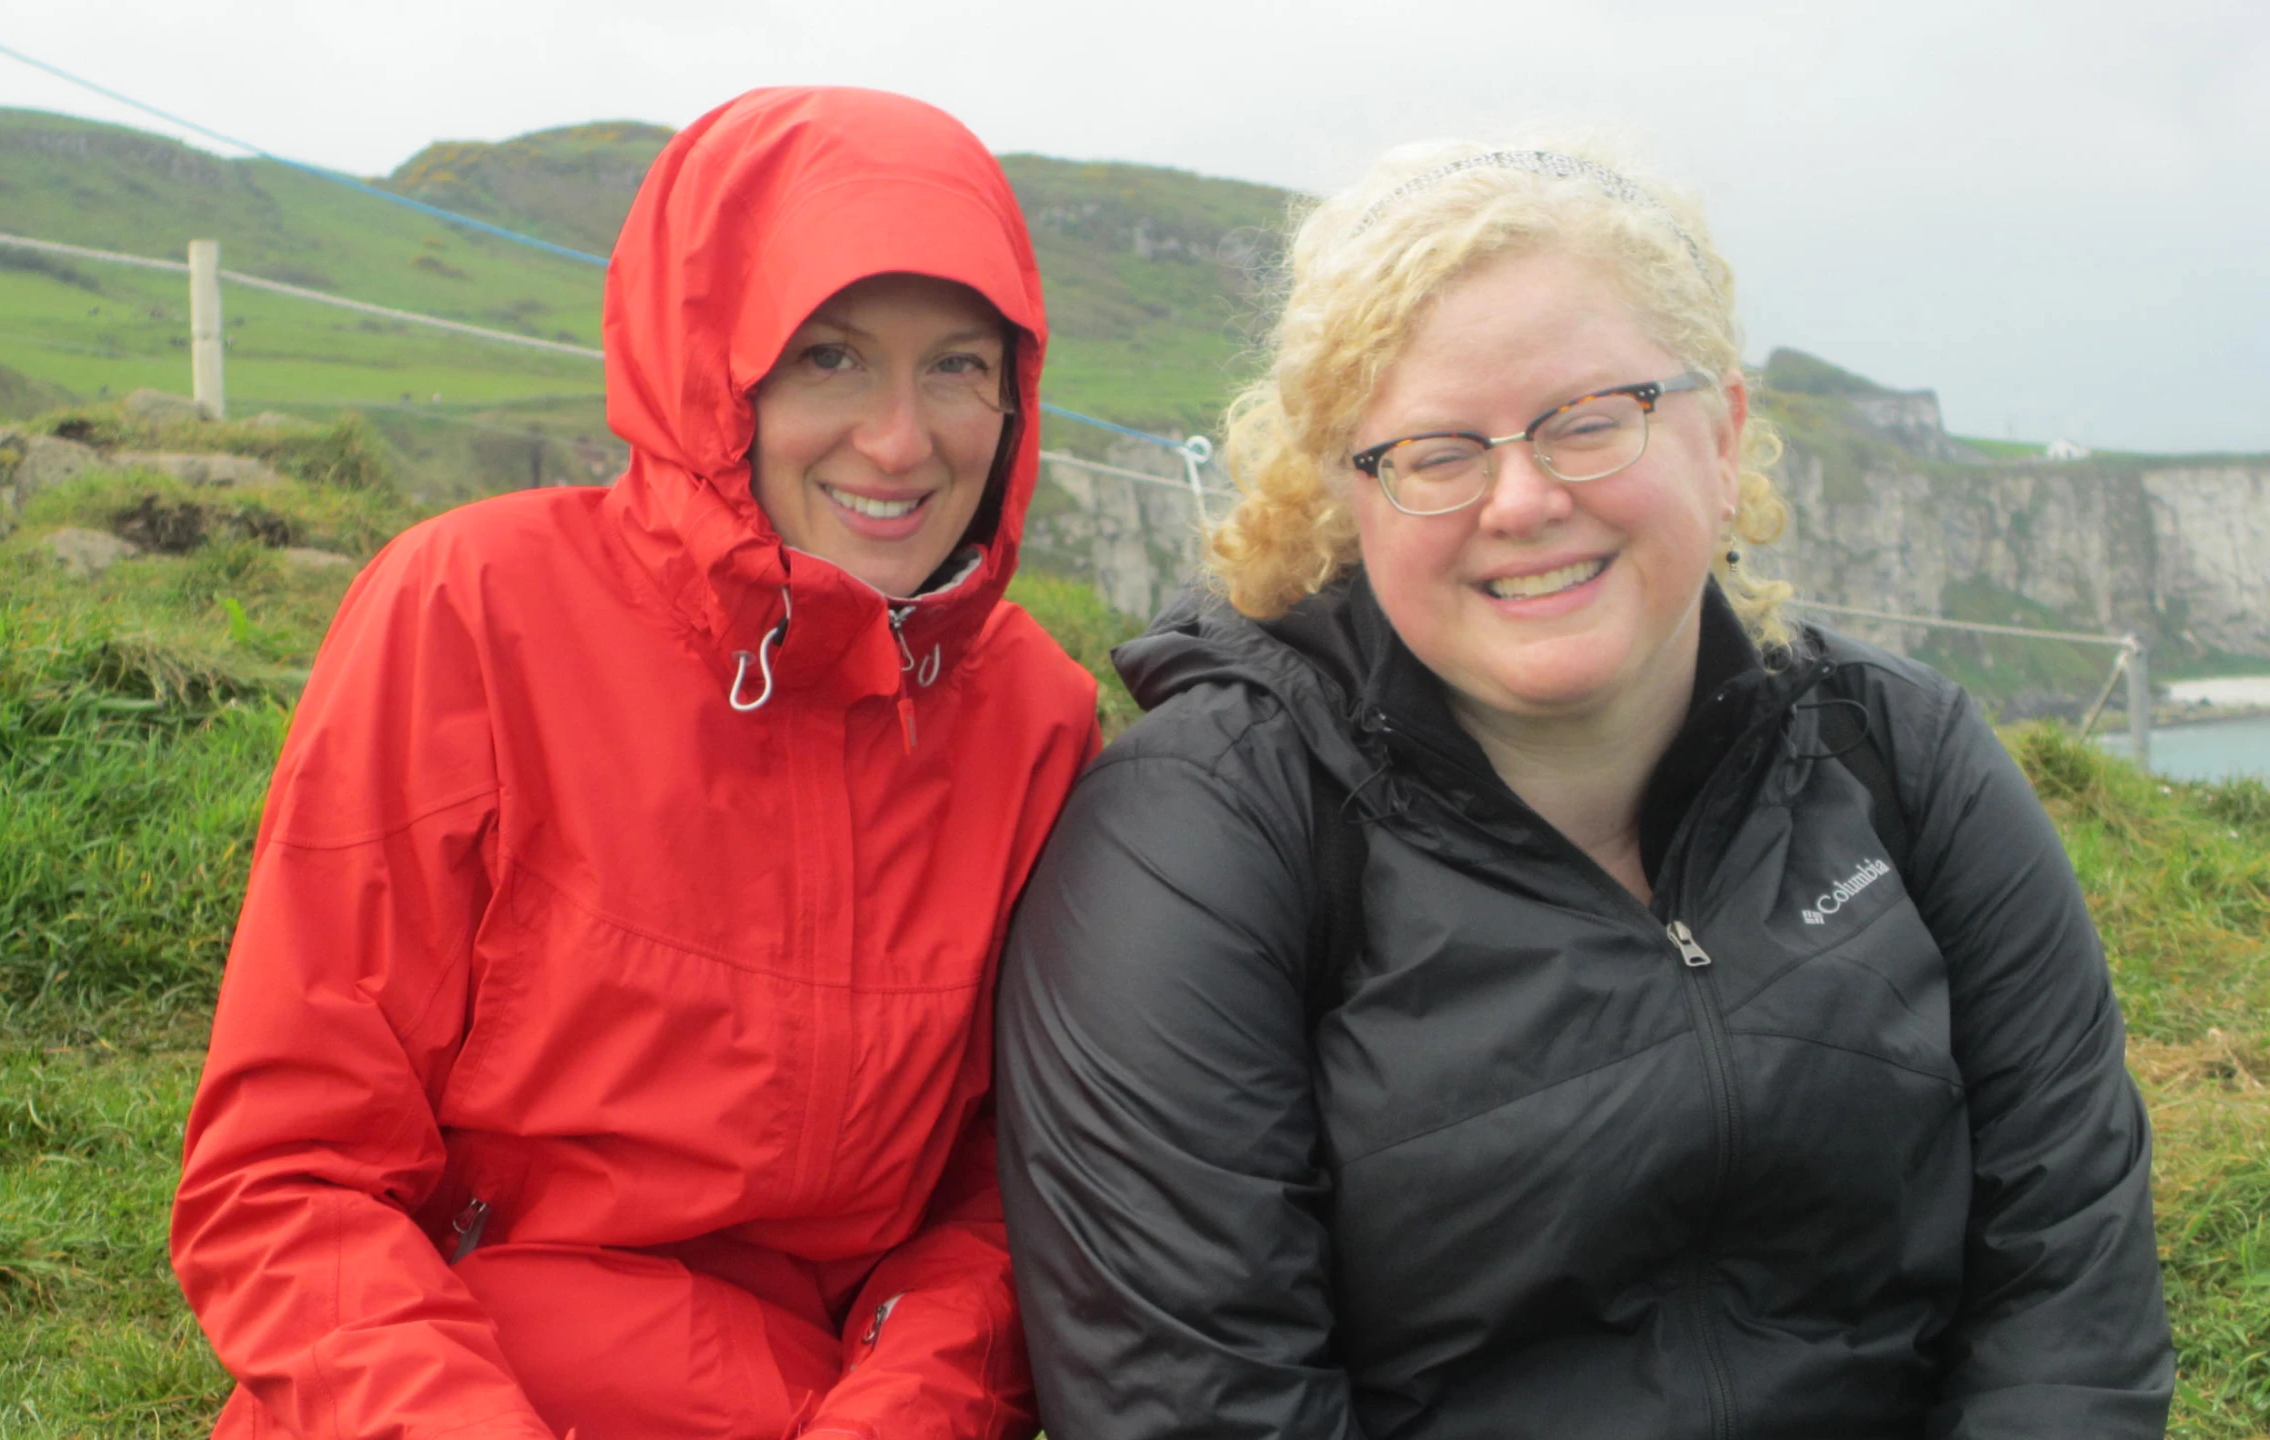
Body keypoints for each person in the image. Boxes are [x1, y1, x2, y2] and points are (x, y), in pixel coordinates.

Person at [995, 139, 2172, 1438]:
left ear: (1719, 435)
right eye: (1437, 453)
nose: (1525, 498)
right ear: (1349, 496)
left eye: (1591, 420)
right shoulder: (1203, 842)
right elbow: (1199, 1404)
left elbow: (2067, 1288)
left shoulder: (1899, 754)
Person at [171, 87, 1097, 1440]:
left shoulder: (1037, 718)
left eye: (959, 366)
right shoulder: (473, 612)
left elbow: (1003, 1191)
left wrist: (903, 1411)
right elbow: (286, 1179)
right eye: (830, 357)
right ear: (711, 365)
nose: (903, 443)